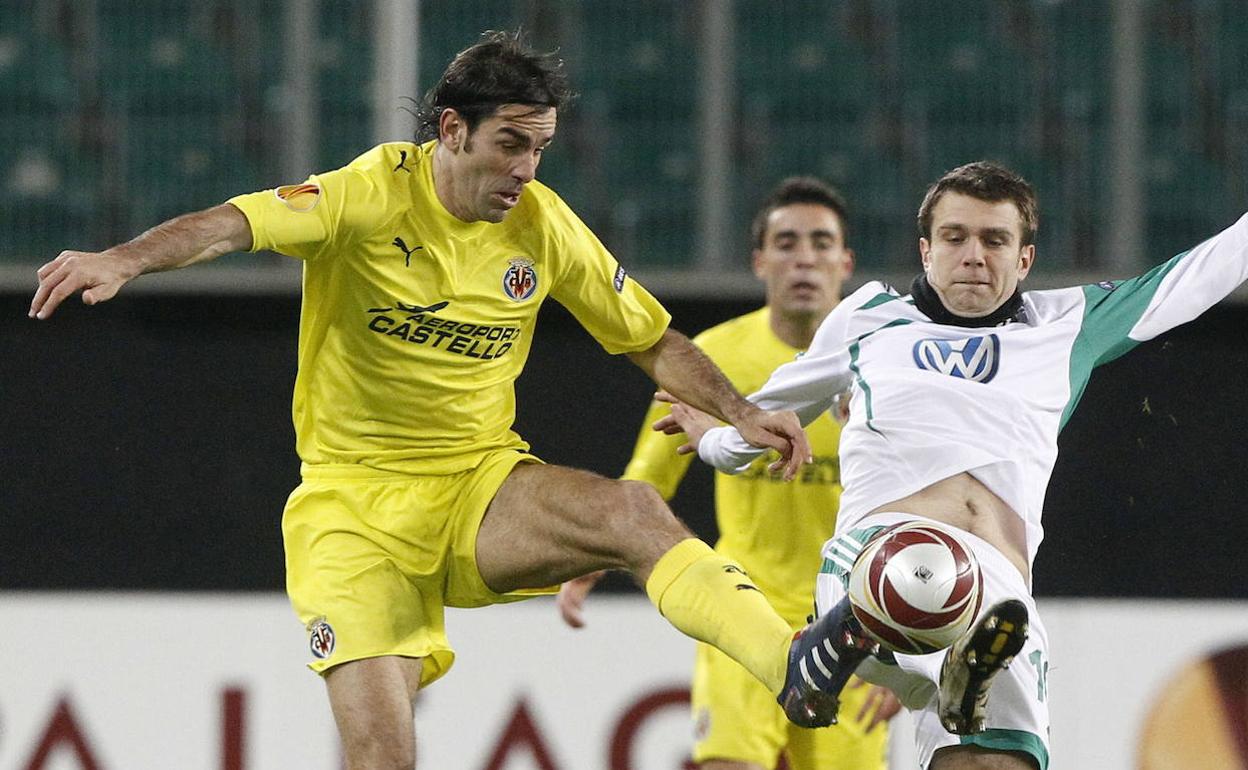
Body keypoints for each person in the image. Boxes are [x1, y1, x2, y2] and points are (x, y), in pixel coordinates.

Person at [26, 31, 844, 770]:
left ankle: (793, 665)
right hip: (352, 513)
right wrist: (126, 259)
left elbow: (650, 339)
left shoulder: (543, 225)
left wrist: (741, 411)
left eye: (541, 149)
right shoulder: (368, 195)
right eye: (511, 144)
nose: (526, 169)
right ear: (451, 131)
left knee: (631, 512)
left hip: (478, 487)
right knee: (384, 756)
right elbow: (230, 225)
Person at [657, 160, 1248, 770]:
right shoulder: (868, 319)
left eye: (995, 240)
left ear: (1024, 260)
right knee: (922, 574)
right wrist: (709, 441)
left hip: (999, 598)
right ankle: (844, 641)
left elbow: (1205, 271)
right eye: (955, 237)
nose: (973, 255)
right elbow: (764, 421)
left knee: (996, 758)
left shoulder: (1066, 326)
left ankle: (939, 671)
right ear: (926, 249)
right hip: (878, 557)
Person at [557, 177, 900, 769]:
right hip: (746, 610)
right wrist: (592, 557)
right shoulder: (713, 363)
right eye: (787, 242)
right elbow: (647, 480)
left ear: (845, 262)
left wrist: (904, 654)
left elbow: (920, 507)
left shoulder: (886, 368)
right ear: (759, 260)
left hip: (852, 622)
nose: (804, 257)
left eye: (821, 243)